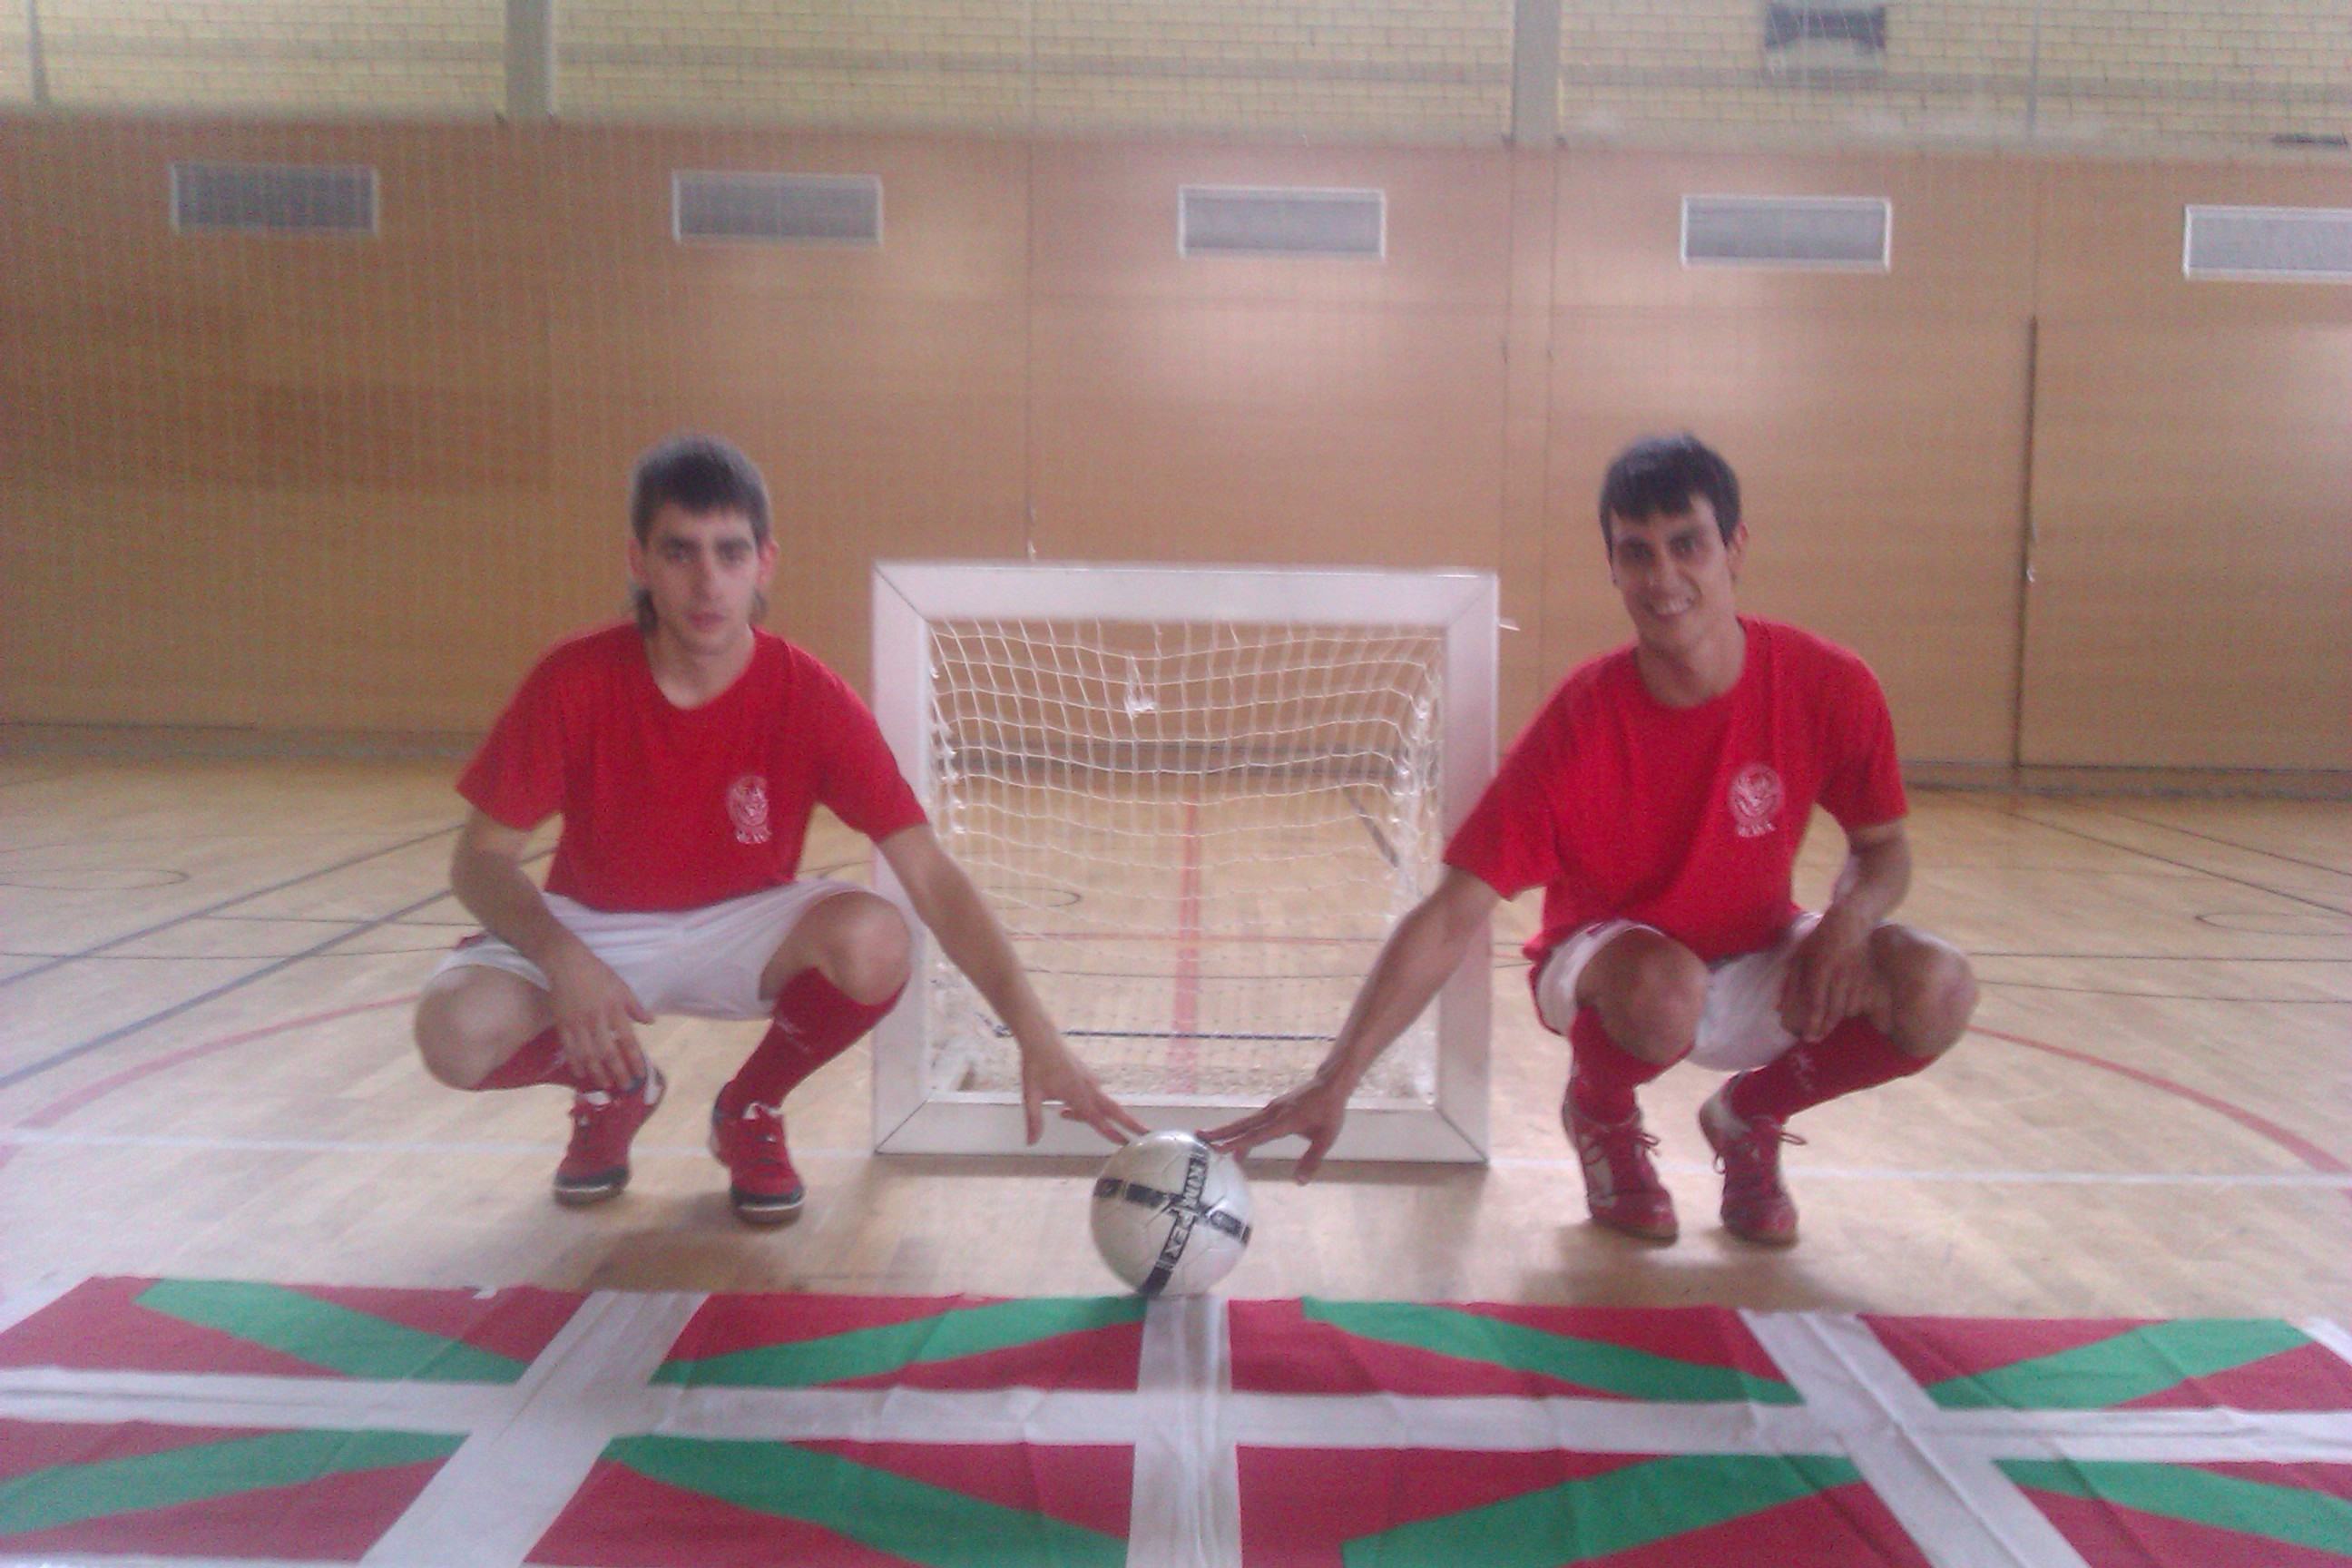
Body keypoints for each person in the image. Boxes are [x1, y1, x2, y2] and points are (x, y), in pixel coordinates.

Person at [1208, 434, 1976, 1246]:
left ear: (1735, 547)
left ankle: (1749, 1116)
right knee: (1666, 988)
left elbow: (1883, 848)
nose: (1663, 577)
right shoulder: (1579, 724)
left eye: (1687, 544)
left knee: (1938, 986)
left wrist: (1846, 926)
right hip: (1612, 968)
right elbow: (1451, 915)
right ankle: (1600, 1110)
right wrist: (1336, 1079)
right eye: (1636, 553)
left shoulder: (1828, 683)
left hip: (1755, 952)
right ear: (1613, 568)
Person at [413, 434, 1142, 1224]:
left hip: (742, 926)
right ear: (638, 561)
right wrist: (563, 959)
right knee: (453, 1029)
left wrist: (1034, 1031)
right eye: (680, 552)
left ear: (764, 563)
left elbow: (929, 874)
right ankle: (614, 1085)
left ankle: (751, 1107)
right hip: (594, 926)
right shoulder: (574, 680)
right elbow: (478, 861)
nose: (707, 582)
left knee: (876, 939)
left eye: (730, 553)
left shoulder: (809, 697)